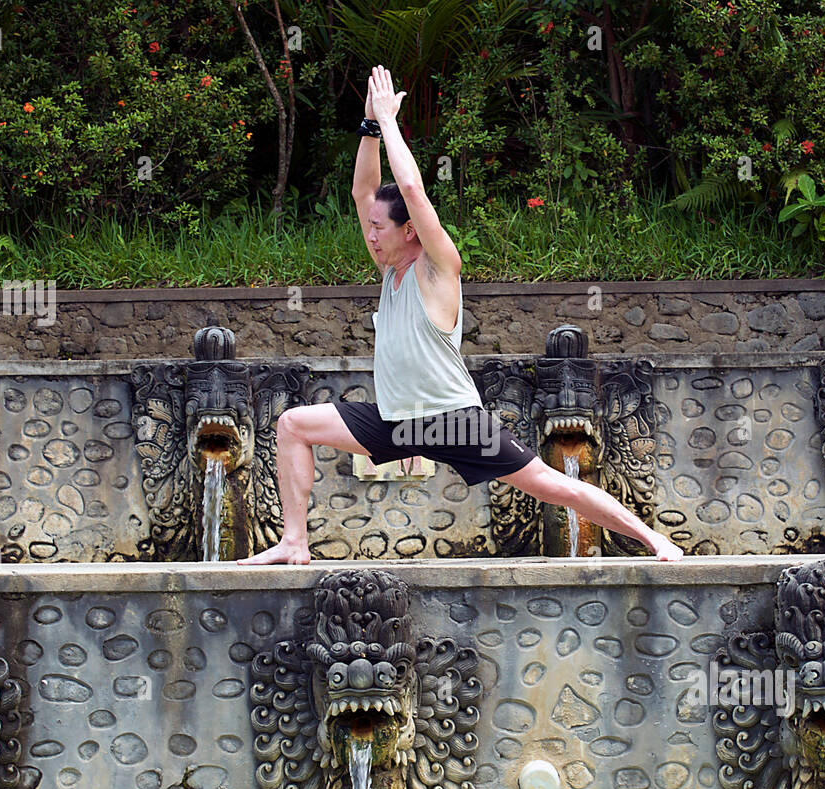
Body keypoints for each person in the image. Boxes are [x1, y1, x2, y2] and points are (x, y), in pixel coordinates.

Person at [241, 66, 682, 565]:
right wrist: (367, 125)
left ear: (410, 231)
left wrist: (389, 120)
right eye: (368, 229)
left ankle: (654, 540)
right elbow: (365, 192)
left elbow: (410, 189)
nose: (369, 235)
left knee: (547, 484)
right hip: (397, 423)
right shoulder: (390, 272)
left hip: (452, 422)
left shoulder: (438, 268)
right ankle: (295, 542)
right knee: (295, 424)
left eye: (378, 229)